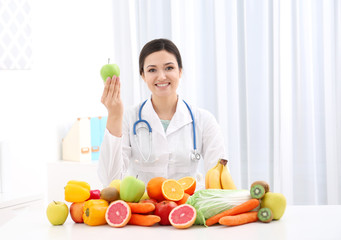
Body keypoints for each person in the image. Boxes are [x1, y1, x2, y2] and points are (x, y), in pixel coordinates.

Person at [98, 38, 227, 189]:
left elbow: (219, 182)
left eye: (169, 68)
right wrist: (114, 115)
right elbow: (110, 180)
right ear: (143, 75)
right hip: (143, 209)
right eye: (152, 70)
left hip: (189, 208)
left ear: (180, 71)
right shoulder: (129, 118)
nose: (161, 76)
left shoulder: (204, 120)